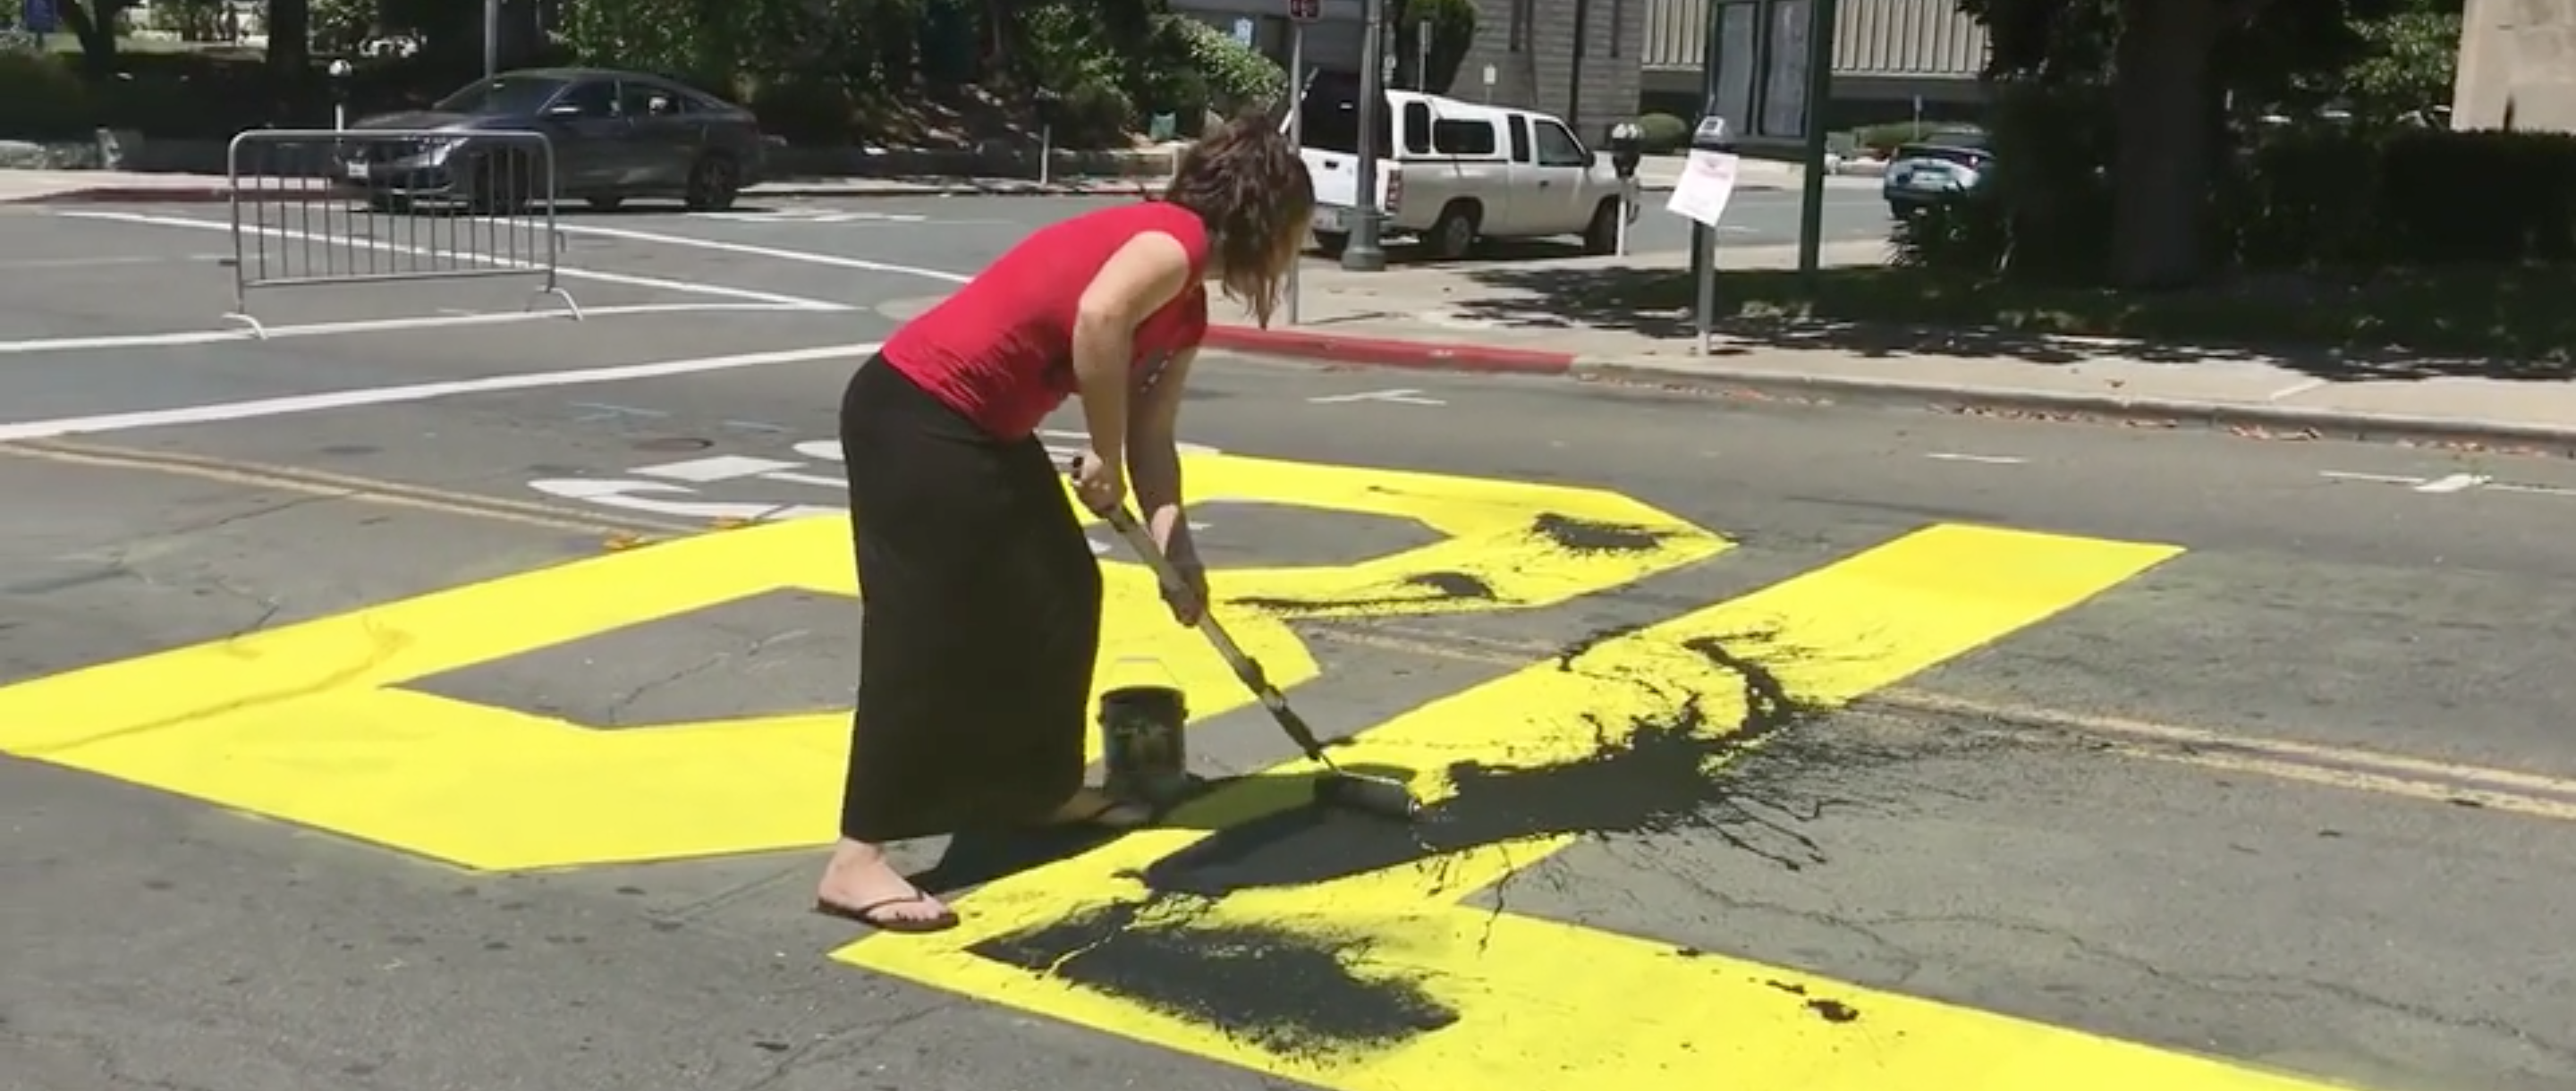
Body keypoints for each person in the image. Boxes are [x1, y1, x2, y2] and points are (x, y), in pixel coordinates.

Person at [816, 114, 1318, 933]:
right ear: (1264, 213)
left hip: (981, 430)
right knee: (925, 628)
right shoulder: (1172, 240)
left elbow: (1156, 438)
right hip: (915, 412)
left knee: (1060, 590)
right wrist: (1104, 457)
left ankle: (1036, 791)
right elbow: (1098, 320)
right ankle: (857, 858)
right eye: (1299, 226)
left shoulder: (1186, 309)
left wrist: (1175, 552)